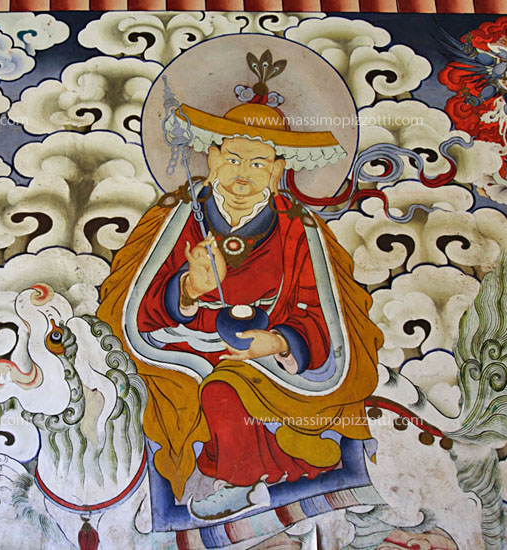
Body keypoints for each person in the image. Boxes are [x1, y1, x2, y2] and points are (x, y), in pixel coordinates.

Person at [96, 65, 383, 522]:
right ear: (211, 159)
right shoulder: (175, 217)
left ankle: (244, 481)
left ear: (278, 171)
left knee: (229, 384)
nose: (242, 175)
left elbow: (324, 309)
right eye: (232, 159)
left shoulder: (300, 230)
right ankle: (224, 480)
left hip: (266, 352)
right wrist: (187, 290)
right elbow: (130, 306)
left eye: (258, 163)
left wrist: (281, 341)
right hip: (182, 347)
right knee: (199, 387)